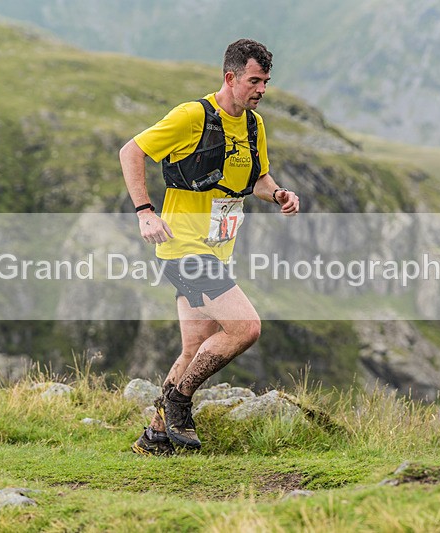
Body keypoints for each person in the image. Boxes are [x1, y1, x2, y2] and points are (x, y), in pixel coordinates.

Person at [119, 39, 299, 455]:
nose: (262, 90)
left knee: (194, 346)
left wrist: (279, 195)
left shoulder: (254, 125)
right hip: (182, 247)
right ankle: (180, 402)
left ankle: (154, 437)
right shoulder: (192, 116)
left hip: (218, 249)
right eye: (254, 81)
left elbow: (257, 179)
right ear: (230, 77)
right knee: (245, 327)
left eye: (266, 82)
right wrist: (145, 211)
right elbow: (131, 151)